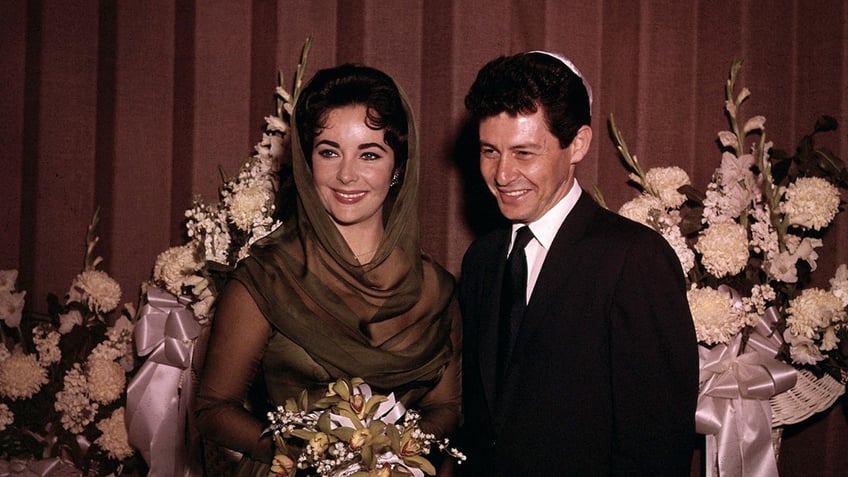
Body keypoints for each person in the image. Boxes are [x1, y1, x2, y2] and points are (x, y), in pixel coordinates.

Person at [194, 64, 461, 476]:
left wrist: (391, 453)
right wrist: (303, 456)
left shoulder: (435, 289)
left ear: (398, 169)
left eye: (369, 154)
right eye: (329, 151)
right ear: (306, 162)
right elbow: (212, 409)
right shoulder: (266, 277)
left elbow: (447, 405)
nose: (347, 174)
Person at [457, 51, 698, 475]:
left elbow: (657, 448)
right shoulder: (482, 261)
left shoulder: (636, 260)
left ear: (578, 145)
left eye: (524, 153)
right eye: (490, 151)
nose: (502, 174)